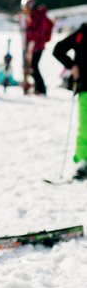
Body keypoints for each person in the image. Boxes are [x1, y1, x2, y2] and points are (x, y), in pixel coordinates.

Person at [52, 23, 87, 180]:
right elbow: (58, 49)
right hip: (85, 87)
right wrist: (72, 65)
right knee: (85, 127)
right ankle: (83, 161)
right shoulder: (83, 32)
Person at [21, 0, 54, 96]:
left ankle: (41, 88)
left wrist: (31, 38)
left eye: (27, 8)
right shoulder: (32, 16)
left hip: (37, 46)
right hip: (32, 46)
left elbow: (39, 33)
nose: (26, 11)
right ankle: (38, 88)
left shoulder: (39, 17)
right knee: (32, 67)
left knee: (34, 67)